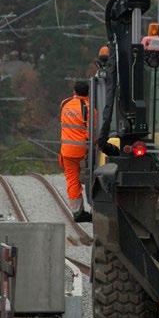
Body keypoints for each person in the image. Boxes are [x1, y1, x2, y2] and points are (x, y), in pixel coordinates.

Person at [59, 80, 93, 222]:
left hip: (66, 150)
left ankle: (77, 212)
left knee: (72, 180)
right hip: (84, 150)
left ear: (74, 91)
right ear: (89, 92)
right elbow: (93, 130)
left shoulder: (64, 104)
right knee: (92, 177)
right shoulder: (89, 108)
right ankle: (93, 206)